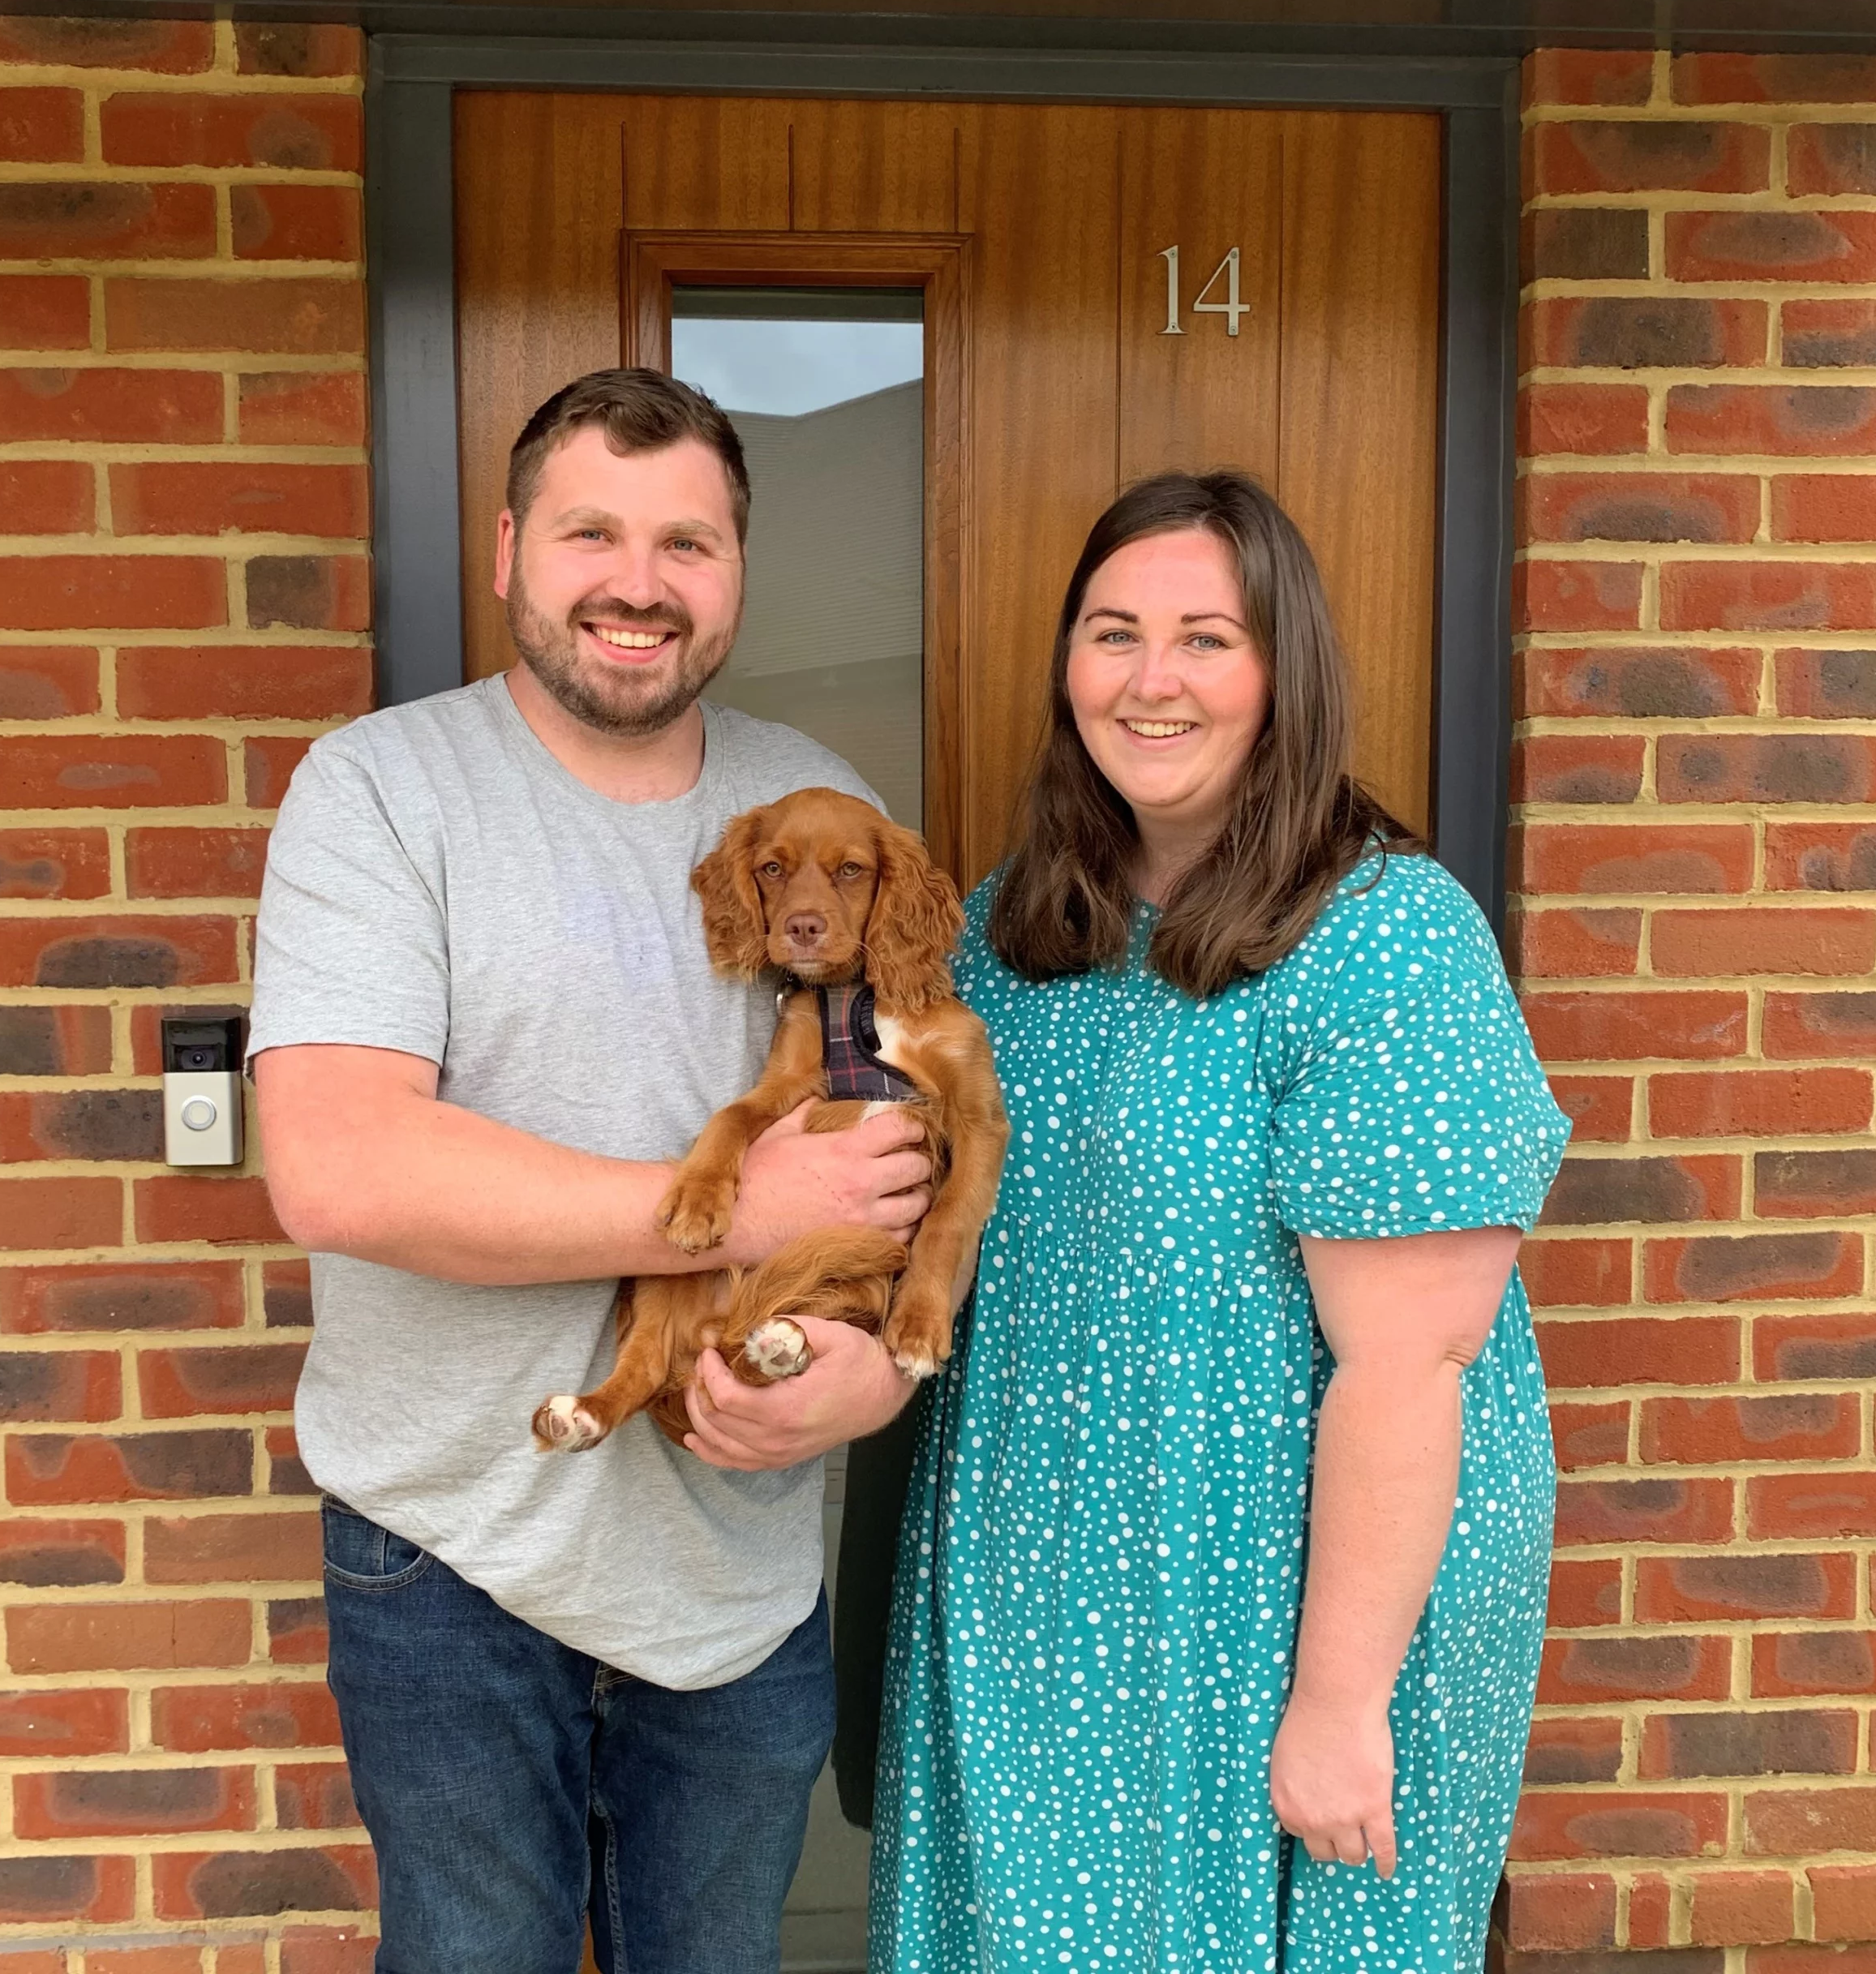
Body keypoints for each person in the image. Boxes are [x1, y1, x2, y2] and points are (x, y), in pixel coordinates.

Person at [249, 367, 922, 1974]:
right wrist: (727, 1216)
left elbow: (895, 1169)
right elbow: (340, 1167)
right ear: (505, 550)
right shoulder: (380, 794)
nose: (638, 579)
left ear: (735, 571)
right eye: (591, 531)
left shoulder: (825, 812)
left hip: (735, 1561)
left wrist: (869, 1376)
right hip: (449, 1548)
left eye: (686, 540)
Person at [867, 470, 1571, 1974]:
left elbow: (1415, 1363)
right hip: (1040, 1577)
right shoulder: (1010, 934)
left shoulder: (1384, 934)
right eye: (1114, 634)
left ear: (1283, 672)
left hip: (1292, 1597)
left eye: (1208, 638)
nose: (1153, 679)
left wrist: (1338, 1703)